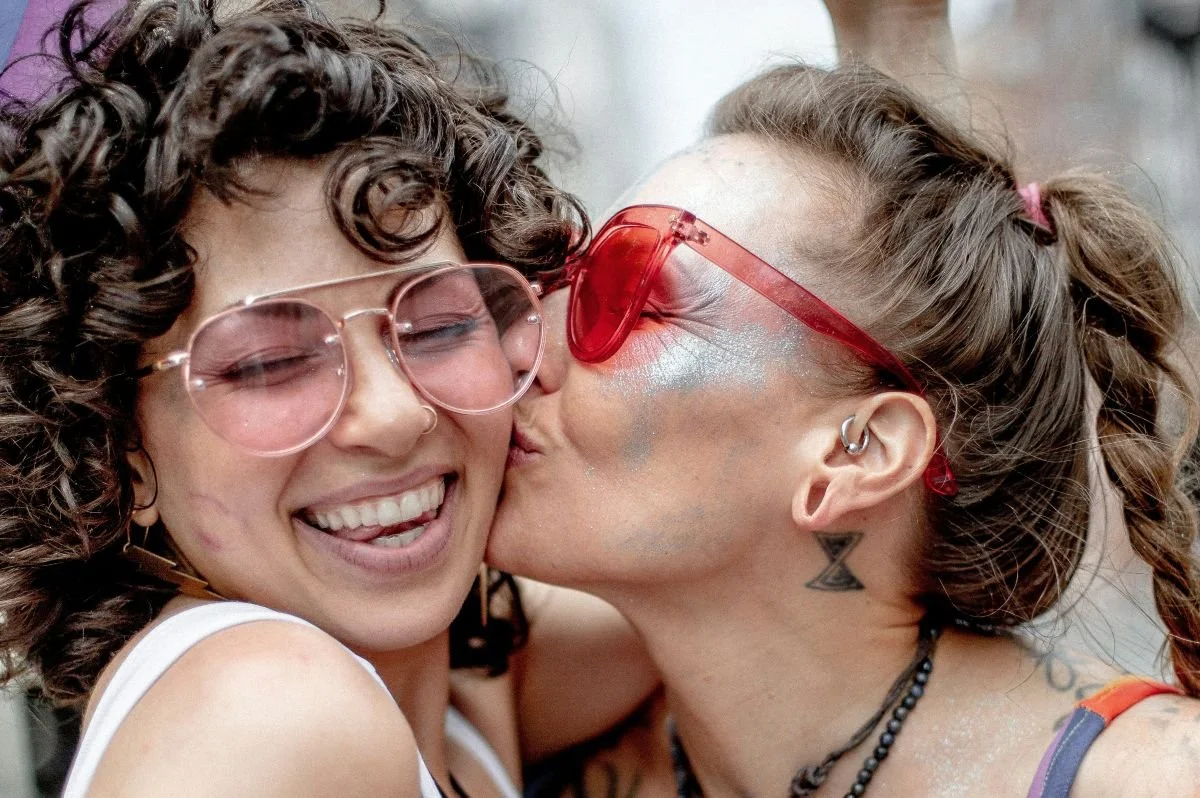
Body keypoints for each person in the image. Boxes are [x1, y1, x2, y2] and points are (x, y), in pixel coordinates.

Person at [0, 1, 658, 796]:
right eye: (269, 363)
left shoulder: (465, 682)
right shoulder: (268, 713)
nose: (392, 415)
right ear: (120, 454)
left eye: (441, 324)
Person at [492, 61, 1200, 796]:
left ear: (855, 451)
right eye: (559, 279)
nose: (520, 345)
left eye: (628, 292)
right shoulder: (490, 741)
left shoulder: (1152, 778)